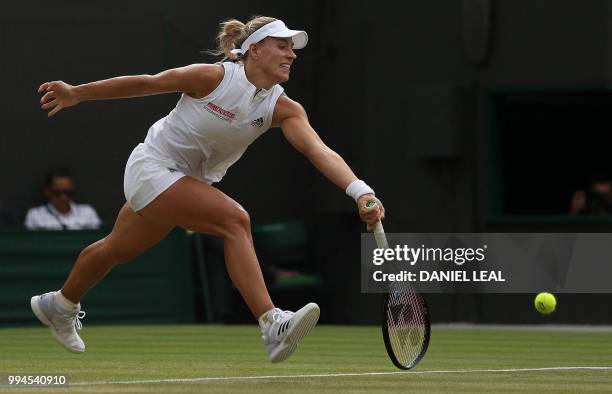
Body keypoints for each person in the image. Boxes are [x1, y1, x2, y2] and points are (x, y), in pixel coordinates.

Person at [30, 16, 384, 362]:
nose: (291, 54)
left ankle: (59, 304)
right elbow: (146, 83)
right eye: (282, 46)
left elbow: (317, 149)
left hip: (187, 183)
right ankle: (271, 323)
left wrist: (360, 191)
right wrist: (77, 93)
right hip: (152, 167)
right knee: (235, 221)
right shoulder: (212, 77)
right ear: (255, 50)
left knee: (114, 250)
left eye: (292, 48)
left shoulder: (283, 107)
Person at [24, 168, 102, 230]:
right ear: (47, 191)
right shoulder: (35, 215)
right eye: (58, 193)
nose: (63, 197)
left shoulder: (87, 213)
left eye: (68, 193)